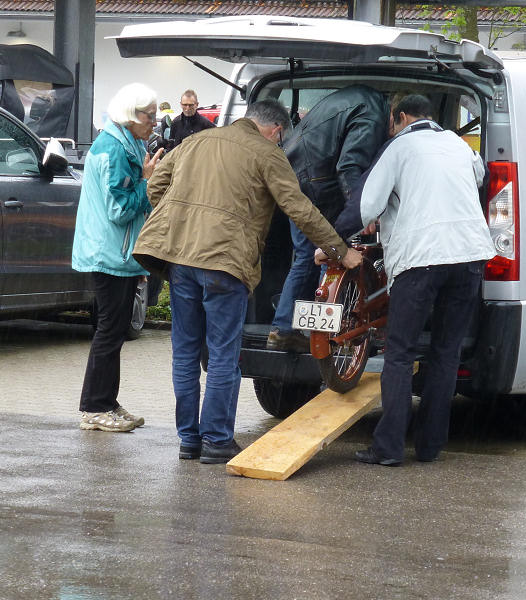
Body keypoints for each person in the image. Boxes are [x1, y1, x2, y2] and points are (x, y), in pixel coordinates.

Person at [132, 99, 361, 464]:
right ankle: (217, 441)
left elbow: (154, 188)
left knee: (186, 353)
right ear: (276, 131)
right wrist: (339, 250)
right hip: (224, 263)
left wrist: (187, 220)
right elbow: (298, 208)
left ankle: (189, 440)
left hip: (179, 260)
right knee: (223, 354)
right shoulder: (267, 153)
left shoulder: (195, 141)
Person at [324, 94, 495, 466]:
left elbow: (366, 205)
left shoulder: (399, 148)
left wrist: (333, 243)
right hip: (469, 256)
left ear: (400, 118)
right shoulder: (458, 144)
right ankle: (431, 446)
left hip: (421, 259)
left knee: (399, 354)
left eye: (391, 122)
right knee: (446, 353)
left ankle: (388, 449)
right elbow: (479, 179)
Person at [267, 85, 389, 353]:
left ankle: (283, 329)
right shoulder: (374, 111)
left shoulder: (350, 99)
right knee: (331, 255)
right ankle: (326, 335)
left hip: (296, 180)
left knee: (304, 257)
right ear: (397, 115)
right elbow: (348, 165)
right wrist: (360, 210)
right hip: (320, 188)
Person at [72, 82, 164, 432]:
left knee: (116, 330)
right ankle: (95, 407)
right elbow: (118, 209)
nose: (154, 122)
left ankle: (106, 402)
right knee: (110, 331)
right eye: (149, 115)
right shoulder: (112, 148)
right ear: (131, 114)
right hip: (108, 252)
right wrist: (146, 181)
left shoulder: (128, 142)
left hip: (119, 253)